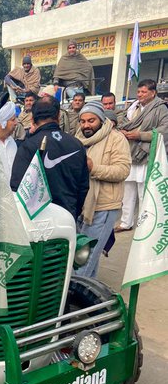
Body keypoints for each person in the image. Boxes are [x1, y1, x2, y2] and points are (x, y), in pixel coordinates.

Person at [74, 101, 131, 277]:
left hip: (104, 206)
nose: (86, 125)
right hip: (82, 205)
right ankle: (89, 296)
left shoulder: (116, 138)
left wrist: (94, 168)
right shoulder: (78, 139)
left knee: (84, 257)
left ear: (101, 119)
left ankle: (75, 296)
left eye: (91, 120)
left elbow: (123, 170)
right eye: (82, 121)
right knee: (89, 254)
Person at [11, 98, 89, 221]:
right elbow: (83, 186)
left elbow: (17, 188)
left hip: (38, 221)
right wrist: (73, 213)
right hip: (68, 218)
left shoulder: (28, 146)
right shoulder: (76, 144)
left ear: (32, 118)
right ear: (58, 115)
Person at [116, 79, 168, 232]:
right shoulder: (133, 106)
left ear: (153, 93)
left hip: (146, 154)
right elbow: (123, 122)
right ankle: (126, 223)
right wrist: (123, 132)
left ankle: (144, 224)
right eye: (139, 92)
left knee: (144, 192)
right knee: (127, 192)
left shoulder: (161, 108)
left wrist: (140, 135)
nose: (140, 95)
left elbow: (165, 130)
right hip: (129, 152)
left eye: (144, 92)